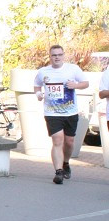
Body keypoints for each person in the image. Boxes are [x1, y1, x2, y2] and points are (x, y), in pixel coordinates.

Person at [33, 45, 88, 184]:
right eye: (54, 55)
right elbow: (36, 84)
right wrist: (38, 93)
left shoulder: (73, 69)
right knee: (57, 140)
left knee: (69, 142)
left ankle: (66, 163)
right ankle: (58, 172)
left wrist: (75, 86)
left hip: (70, 112)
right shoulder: (43, 72)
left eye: (59, 54)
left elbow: (85, 83)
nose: (57, 57)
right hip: (52, 112)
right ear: (50, 57)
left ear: (63, 55)